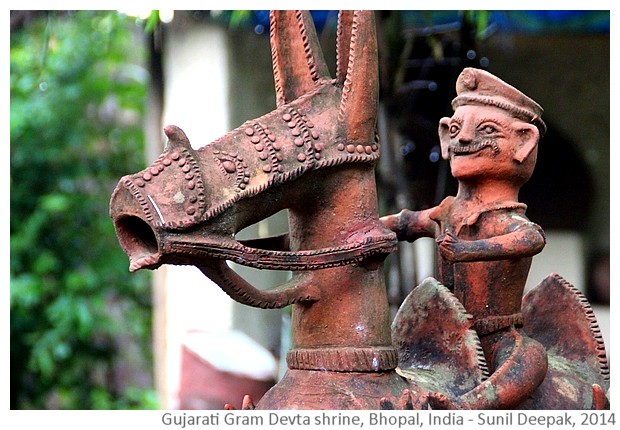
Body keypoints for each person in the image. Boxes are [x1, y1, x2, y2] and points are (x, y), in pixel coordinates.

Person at [382, 67, 549, 409]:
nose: (464, 139)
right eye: (455, 130)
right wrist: (353, 231)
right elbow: (402, 223)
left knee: (531, 359)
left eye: (486, 130)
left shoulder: (510, 219)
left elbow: (529, 239)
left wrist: (467, 250)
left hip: (498, 336)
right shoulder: (445, 212)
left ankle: (467, 407)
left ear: (523, 142)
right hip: (441, 336)